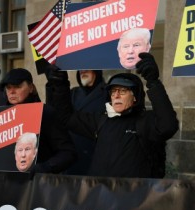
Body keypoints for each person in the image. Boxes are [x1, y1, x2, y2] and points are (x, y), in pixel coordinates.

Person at [47, 52, 179, 178]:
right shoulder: (101, 120)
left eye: (122, 91)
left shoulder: (145, 121)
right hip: (99, 195)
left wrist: (153, 81)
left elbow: (168, 126)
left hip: (134, 197)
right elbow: (67, 117)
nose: (116, 95)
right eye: (113, 91)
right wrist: (60, 84)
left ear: (135, 97)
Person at [0, 68, 76, 174]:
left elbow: (68, 152)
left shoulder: (45, 113)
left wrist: (45, 167)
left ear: (31, 88)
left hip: (37, 186)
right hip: (7, 185)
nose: (12, 92)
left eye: (17, 87)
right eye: (8, 88)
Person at [47, 70, 107, 175]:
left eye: (87, 67)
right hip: (72, 160)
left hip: (95, 159)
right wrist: (53, 85)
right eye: (80, 69)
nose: (82, 71)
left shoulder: (109, 94)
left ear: (97, 71)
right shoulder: (72, 93)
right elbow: (55, 114)